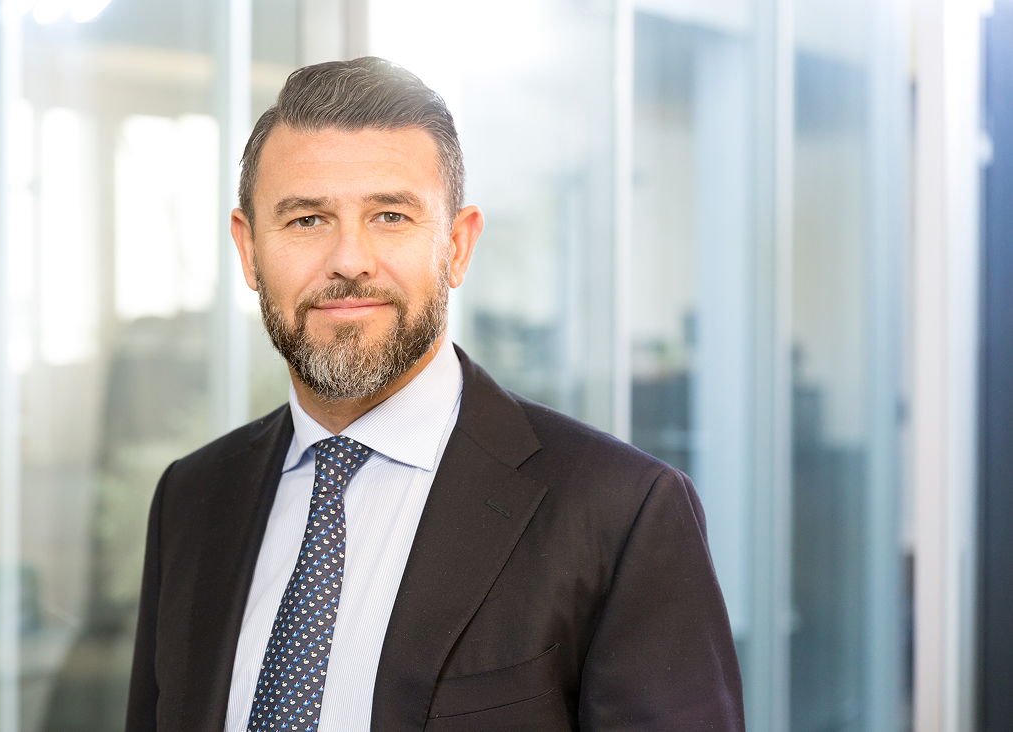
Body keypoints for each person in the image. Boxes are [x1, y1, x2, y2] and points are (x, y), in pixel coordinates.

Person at [125, 56, 744, 732]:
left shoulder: (622, 513)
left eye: (390, 216)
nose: (349, 260)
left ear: (457, 245)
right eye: (307, 220)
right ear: (249, 250)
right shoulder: (191, 499)